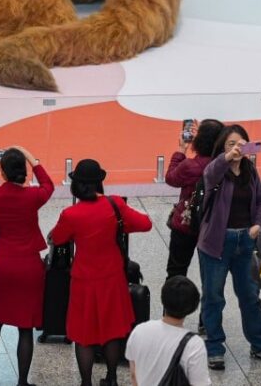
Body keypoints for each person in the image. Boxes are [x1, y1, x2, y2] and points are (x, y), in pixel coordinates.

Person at [49, 159, 153, 386]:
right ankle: (112, 378)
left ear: (76, 186)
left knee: (82, 334)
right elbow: (146, 224)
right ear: (99, 183)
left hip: (84, 280)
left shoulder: (71, 215)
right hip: (112, 277)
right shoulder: (114, 205)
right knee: (112, 329)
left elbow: (57, 238)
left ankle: (86, 382)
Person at [196, 124, 261, 371]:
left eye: (240, 144)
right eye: (231, 144)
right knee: (214, 297)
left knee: (250, 296)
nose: (236, 149)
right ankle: (215, 348)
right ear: (222, 147)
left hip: (246, 242)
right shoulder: (215, 171)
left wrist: (258, 224)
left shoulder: (250, 172)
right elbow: (211, 171)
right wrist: (226, 158)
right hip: (215, 243)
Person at [0, 146, 55, 386]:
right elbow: (49, 185)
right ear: (23, 171)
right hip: (29, 266)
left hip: (2, 264)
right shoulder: (33, 197)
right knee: (25, 328)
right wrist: (32, 159)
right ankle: (22, 381)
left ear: (2, 172)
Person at [165, 118, 224, 279]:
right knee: (210, 275)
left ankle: (173, 301)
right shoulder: (224, 165)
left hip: (186, 222)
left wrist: (181, 150)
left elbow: (171, 178)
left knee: (176, 269)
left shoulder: (190, 166)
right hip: (213, 225)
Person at [125, 276, 211, 386]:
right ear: (193, 308)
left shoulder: (139, 331)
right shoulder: (194, 344)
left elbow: (133, 375)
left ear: (163, 299)